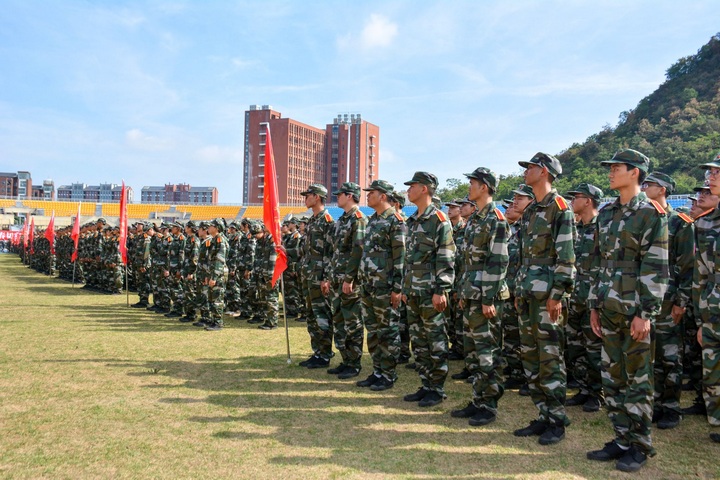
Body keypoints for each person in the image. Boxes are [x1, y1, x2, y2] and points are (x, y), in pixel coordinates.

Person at [586, 149, 669, 472]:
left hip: (634, 309)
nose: (610, 173)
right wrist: (594, 304)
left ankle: (640, 444)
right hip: (607, 307)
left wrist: (646, 313)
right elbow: (597, 262)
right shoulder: (606, 214)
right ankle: (621, 437)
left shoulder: (651, 213)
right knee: (613, 377)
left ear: (635, 172)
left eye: (616, 168)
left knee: (638, 379)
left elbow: (656, 266)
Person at [514, 152, 575, 446]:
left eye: (531, 168)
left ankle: (557, 420)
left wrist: (558, 294)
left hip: (548, 297)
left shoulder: (559, 208)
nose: (526, 172)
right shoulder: (529, 211)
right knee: (531, 358)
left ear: (545, 172)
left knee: (550, 359)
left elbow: (566, 257)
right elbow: (524, 257)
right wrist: (519, 289)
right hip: (528, 293)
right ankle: (543, 414)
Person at [450, 167, 509, 426]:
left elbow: (498, 262)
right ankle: (478, 399)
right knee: (474, 353)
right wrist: (464, 292)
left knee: (488, 352)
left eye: (473, 183)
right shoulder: (475, 219)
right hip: (471, 293)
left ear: (484, 187)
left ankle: (489, 404)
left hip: (486, 296)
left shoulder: (495, 218)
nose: (469, 187)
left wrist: (488, 298)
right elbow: (467, 261)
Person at [641, 172, 694, 429]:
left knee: (670, 355)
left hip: (669, 299)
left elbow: (687, 267)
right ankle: (656, 404)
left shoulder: (680, 223)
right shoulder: (647, 219)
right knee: (650, 356)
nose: (644, 187)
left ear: (663, 190)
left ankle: (671, 407)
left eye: (649, 185)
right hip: (647, 299)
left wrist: (681, 302)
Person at [401, 171, 456, 407]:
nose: (408, 190)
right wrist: (404, 286)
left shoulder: (439, 220)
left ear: (424, 189)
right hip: (413, 290)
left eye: (412, 186)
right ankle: (425, 384)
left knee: (435, 340)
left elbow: (446, 256)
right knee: (419, 341)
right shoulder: (412, 220)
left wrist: (441, 290)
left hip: (430, 292)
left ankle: (437, 388)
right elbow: (408, 259)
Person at [356, 180, 406, 388]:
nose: (368, 196)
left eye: (372, 193)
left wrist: (397, 288)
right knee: (374, 331)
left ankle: (388, 374)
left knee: (387, 331)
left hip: (386, 288)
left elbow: (401, 257)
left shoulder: (395, 221)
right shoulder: (373, 220)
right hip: (369, 286)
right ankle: (377, 371)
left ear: (383, 196)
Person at [564, 183, 605, 413]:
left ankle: (596, 393)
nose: (572, 201)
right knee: (575, 347)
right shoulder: (575, 228)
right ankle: (583, 389)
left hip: (592, 298)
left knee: (594, 349)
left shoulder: (603, 227)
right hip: (574, 297)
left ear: (588, 200)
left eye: (576, 197)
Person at [325, 182, 367, 378]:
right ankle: (346, 359)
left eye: (340, 194)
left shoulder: (358, 220)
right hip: (336, 279)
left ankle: (354, 363)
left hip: (349, 281)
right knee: (339, 322)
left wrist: (350, 278)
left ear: (350, 195)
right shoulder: (342, 220)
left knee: (353, 322)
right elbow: (335, 252)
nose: (337, 197)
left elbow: (357, 252)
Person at [692, 154, 720, 445]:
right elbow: (700, 274)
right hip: (713, 310)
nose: (710, 177)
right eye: (710, 172)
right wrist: (701, 319)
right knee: (713, 374)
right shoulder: (705, 224)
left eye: (716, 173)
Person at [299, 184, 335, 368]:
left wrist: (327, 278)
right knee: (312, 315)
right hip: (309, 273)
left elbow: (330, 252)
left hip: (319, 275)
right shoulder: (312, 221)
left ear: (318, 197)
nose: (305, 199)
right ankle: (317, 352)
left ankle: (325, 353)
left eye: (308, 196)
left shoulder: (327, 221)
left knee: (322, 314)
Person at [203, 218, 229, 331]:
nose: (209, 227)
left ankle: (218, 323)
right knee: (212, 298)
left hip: (217, 275)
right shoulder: (214, 240)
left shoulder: (220, 241)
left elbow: (219, 260)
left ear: (217, 228)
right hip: (212, 273)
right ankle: (214, 321)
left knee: (217, 299)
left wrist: (213, 277)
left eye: (211, 226)